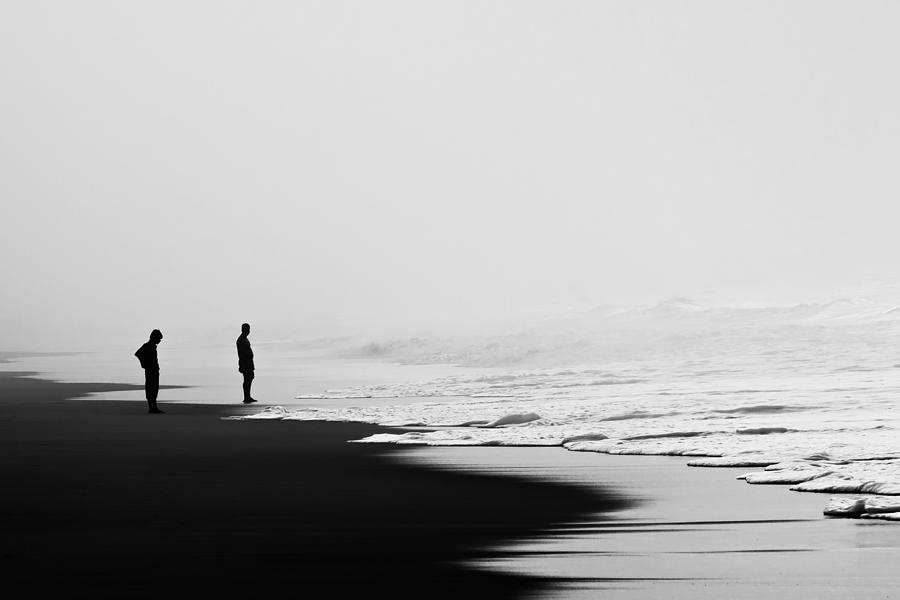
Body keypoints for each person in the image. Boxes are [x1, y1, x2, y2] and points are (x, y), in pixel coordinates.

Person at [135, 329, 164, 414]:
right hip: (150, 370)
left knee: (154, 388)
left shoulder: (152, 346)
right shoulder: (147, 346)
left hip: (154, 370)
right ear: (154, 338)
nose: (159, 341)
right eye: (159, 339)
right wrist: (144, 364)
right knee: (151, 388)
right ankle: (152, 408)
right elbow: (138, 354)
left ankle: (154, 407)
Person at [236, 323, 257, 404]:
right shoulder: (240, 340)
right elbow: (241, 354)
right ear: (242, 330)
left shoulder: (245, 339)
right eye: (246, 330)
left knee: (250, 378)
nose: (248, 331)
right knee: (247, 379)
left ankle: (248, 396)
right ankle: (246, 397)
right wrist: (241, 364)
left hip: (249, 362)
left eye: (249, 330)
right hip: (245, 362)